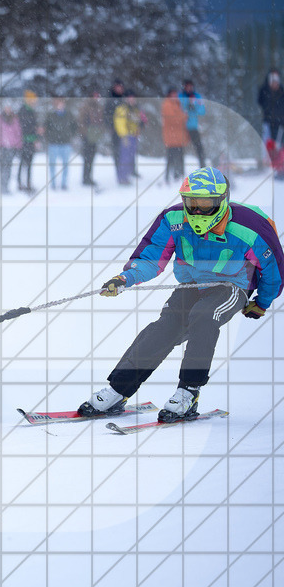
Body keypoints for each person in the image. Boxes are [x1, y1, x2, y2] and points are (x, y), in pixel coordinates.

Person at [79, 167, 283, 423]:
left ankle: (188, 391)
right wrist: (125, 278)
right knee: (163, 329)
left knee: (205, 315)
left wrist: (261, 303)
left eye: (205, 204)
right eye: (191, 203)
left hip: (233, 286)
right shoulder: (172, 219)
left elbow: (274, 271)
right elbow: (151, 257)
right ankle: (118, 390)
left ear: (221, 200)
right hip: (191, 285)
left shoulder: (250, 228)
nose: (196, 211)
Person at [44, 97, 76, 191]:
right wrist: (50, 137)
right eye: (58, 103)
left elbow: (75, 126)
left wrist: (70, 135)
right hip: (53, 144)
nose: (60, 105)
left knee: (65, 165)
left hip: (66, 143)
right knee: (52, 165)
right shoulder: (50, 115)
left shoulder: (69, 115)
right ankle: (53, 184)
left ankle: (64, 184)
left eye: (61, 103)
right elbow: (46, 128)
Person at [258, 69, 284, 177]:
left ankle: (280, 168)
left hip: (280, 123)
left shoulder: (281, 92)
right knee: (269, 145)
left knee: (280, 146)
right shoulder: (264, 91)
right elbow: (260, 102)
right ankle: (271, 167)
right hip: (268, 122)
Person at [114, 91, 144, 185]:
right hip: (126, 136)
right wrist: (124, 135)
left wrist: (139, 126)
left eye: (133, 98)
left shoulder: (135, 109)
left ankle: (126, 176)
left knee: (130, 157)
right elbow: (119, 123)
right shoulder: (122, 109)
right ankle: (122, 178)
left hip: (134, 136)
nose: (132, 100)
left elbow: (137, 121)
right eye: (129, 98)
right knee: (125, 157)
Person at [0, 102, 21, 194]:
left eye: (9, 107)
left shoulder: (14, 119)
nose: (8, 109)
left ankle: (6, 187)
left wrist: (17, 145)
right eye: (6, 107)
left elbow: (18, 133)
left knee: (9, 168)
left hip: (11, 147)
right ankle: (2, 187)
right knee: (2, 168)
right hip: (1, 147)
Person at [161, 87, 188, 185]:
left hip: (178, 137)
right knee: (170, 158)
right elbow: (172, 119)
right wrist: (184, 116)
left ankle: (177, 175)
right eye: (173, 94)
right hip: (171, 137)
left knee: (179, 157)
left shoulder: (177, 104)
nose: (175, 96)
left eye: (175, 94)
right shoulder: (167, 104)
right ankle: (167, 177)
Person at [78, 91, 104, 187]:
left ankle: (89, 177)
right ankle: (86, 178)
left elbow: (100, 121)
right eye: (95, 96)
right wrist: (86, 134)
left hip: (94, 136)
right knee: (87, 157)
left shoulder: (98, 107)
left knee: (92, 157)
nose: (97, 98)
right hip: (87, 136)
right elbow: (81, 122)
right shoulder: (85, 106)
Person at [179, 79, 206, 167]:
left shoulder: (197, 97)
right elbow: (177, 110)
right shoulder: (180, 96)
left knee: (199, 149)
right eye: (187, 86)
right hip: (181, 127)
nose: (189, 88)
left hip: (193, 127)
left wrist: (194, 106)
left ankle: (202, 168)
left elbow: (202, 111)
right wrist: (186, 106)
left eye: (190, 86)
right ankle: (178, 171)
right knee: (179, 150)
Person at [17, 90, 40, 192]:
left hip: (30, 141)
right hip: (23, 141)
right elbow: (24, 126)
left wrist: (36, 138)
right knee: (23, 163)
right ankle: (20, 183)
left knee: (29, 163)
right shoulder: (23, 110)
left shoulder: (32, 110)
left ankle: (28, 183)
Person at [105, 79, 126, 179]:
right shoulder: (110, 99)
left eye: (121, 87)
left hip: (126, 131)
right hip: (115, 131)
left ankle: (127, 172)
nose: (119, 89)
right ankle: (119, 173)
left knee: (126, 151)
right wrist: (110, 127)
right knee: (117, 152)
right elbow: (107, 114)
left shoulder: (124, 99)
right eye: (118, 87)